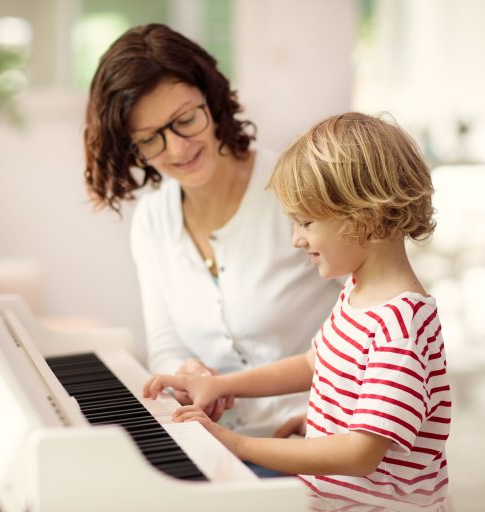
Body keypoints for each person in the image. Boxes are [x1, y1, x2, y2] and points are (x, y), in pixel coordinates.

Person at [144, 113, 452, 510]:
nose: (296, 240)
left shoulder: (400, 328)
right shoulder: (358, 295)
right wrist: (223, 386)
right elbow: (315, 364)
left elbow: (360, 454)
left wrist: (239, 444)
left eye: (305, 223)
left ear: (367, 218)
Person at [83, 23, 340, 443]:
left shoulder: (294, 187)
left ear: (212, 100)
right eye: (150, 140)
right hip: (218, 443)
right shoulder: (152, 220)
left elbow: (382, 314)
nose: (178, 149)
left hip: (321, 440)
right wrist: (187, 371)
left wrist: (338, 416)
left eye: (186, 119)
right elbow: (163, 343)